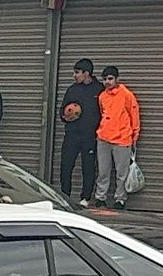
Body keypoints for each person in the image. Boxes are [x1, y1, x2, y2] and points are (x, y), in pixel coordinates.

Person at [92, 66, 141, 209]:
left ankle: (120, 199)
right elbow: (103, 113)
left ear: (117, 79)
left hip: (122, 139)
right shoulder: (102, 96)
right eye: (105, 79)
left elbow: (134, 116)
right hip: (104, 138)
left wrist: (134, 136)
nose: (107, 82)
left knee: (122, 173)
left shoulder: (127, 95)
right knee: (103, 171)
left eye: (110, 79)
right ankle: (100, 198)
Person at [58, 58, 103, 202]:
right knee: (66, 165)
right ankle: (65, 195)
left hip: (89, 136)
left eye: (77, 72)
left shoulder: (99, 90)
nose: (74, 75)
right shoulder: (72, 89)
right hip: (71, 134)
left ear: (86, 73)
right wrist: (65, 117)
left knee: (88, 167)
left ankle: (85, 197)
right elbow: (62, 110)